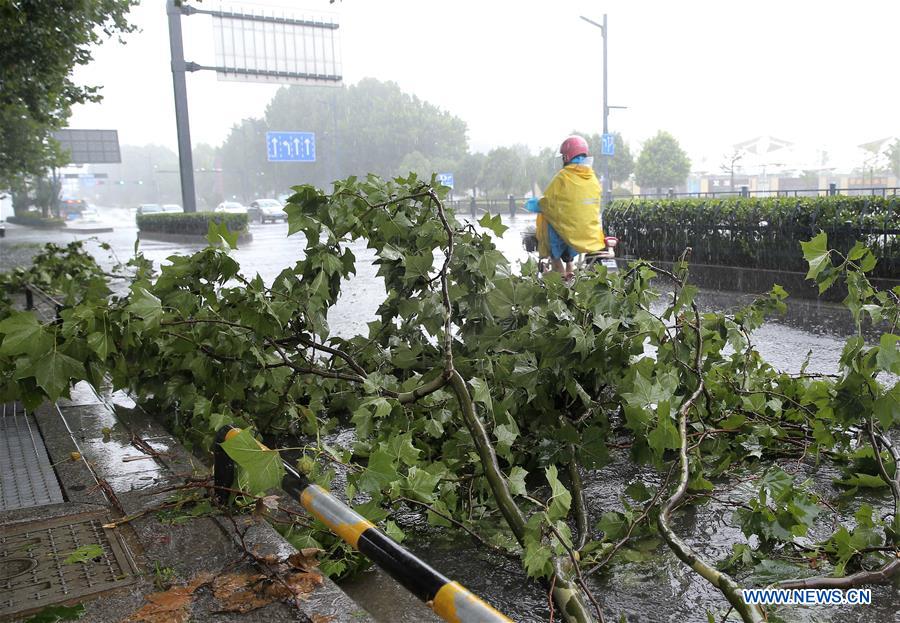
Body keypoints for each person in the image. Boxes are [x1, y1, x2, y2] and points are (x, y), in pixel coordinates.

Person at [525, 135, 607, 278]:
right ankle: (570, 266)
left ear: (567, 157)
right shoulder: (592, 178)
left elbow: (548, 202)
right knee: (569, 227)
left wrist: (533, 204)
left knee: (550, 223)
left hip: (568, 234)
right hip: (589, 233)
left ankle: (559, 270)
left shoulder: (563, 176)